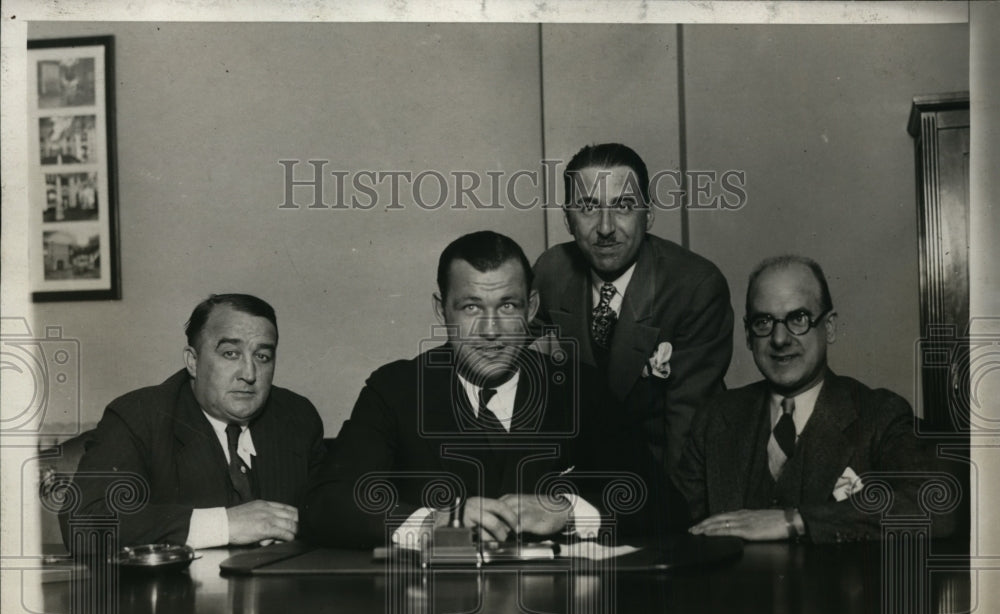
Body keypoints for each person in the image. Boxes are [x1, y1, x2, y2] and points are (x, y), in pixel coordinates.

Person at [302, 230, 668, 550]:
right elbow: (326, 504)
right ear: (441, 310)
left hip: (558, 612)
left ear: (532, 308)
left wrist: (568, 511)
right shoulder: (396, 390)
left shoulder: (579, 388)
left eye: (508, 305)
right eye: (471, 307)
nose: (491, 330)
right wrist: (431, 522)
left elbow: (664, 503)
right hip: (434, 612)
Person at [675, 255, 953, 542]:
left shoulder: (879, 415)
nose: (780, 339)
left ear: (829, 327)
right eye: (764, 322)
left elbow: (939, 506)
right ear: (748, 335)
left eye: (798, 319)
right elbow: (675, 528)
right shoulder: (715, 417)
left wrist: (796, 520)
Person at [62, 294, 326, 550]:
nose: (249, 373)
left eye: (262, 356)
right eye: (231, 354)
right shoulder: (140, 416)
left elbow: (327, 512)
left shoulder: (297, 417)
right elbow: (83, 522)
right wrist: (224, 525)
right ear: (193, 361)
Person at [533, 142, 734, 476]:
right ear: (567, 219)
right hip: (573, 480)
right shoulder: (550, 273)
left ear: (649, 214)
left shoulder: (695, 286)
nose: (606, 228)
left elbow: (687, 435)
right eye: (587, 207)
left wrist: (671, 522)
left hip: (659, 482)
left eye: (623, 206)